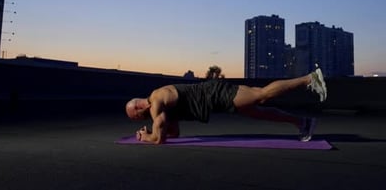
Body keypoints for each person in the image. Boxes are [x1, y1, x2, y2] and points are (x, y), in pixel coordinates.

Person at [125, 68, 327, 144]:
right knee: (258, 112)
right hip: (214, 98)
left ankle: (309, 79)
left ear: (137, 110)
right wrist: (154, 132)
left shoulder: (156, 102)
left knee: (262, 95)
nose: (136, 120)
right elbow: (174, 134)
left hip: (215, 95)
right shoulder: (163, 107)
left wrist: (146, 137)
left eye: (133, 117)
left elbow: (160, 140)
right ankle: (302, 123)